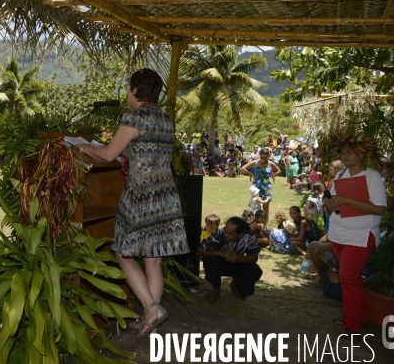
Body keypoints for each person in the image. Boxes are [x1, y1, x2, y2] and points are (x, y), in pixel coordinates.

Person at [77, 68, 189, 338]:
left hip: (140, 194)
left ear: (136, 91)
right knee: (153, 259)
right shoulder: (165, 119)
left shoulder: (135, 116)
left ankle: (151, 309)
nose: (128, 93)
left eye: (129, 88)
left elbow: (108, 154)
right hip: (165, 195)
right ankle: (150, 318)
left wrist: (83, 147)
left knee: (123, 253)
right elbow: (142, 149)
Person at [323, 135, 386, 336]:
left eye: (349, 152)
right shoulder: (339, 175)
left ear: (361, 154)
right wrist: (329, 205)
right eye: (343, 152)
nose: (345, 155)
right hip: (339, 234)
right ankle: (361, 316)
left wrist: (346, 199)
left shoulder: (372, 176)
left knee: (347, 278)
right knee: (353, 279)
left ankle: (352, 326)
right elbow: (332, 206)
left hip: (361, 236)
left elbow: (380, 209)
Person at [198, 217, 263, 302]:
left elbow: (254, 257)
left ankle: (235, 285)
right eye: (225, 230)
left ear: (240, 234)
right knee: (210, 261)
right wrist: (222, 253)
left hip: (237, 263)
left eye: (230, 234)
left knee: (256, 271)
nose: (226, 234)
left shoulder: (248, 236)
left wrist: (239, 258)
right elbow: (200, 251)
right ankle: (216, 289)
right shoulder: (219, 233)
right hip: (219, 263)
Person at [240, 148, 281, 227]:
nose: (263, 159)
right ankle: (255, 225)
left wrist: (273, 175)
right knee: (255, 208)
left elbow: (278, 170)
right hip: (256, 188)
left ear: (268, 157)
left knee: (266, 209)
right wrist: (252, 174)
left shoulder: (270, 163)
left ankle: (265, 226)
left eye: (265, 158)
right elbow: (242, 168)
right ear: (259, 156)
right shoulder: (255, 163)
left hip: (266, 187)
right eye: (261, 157)